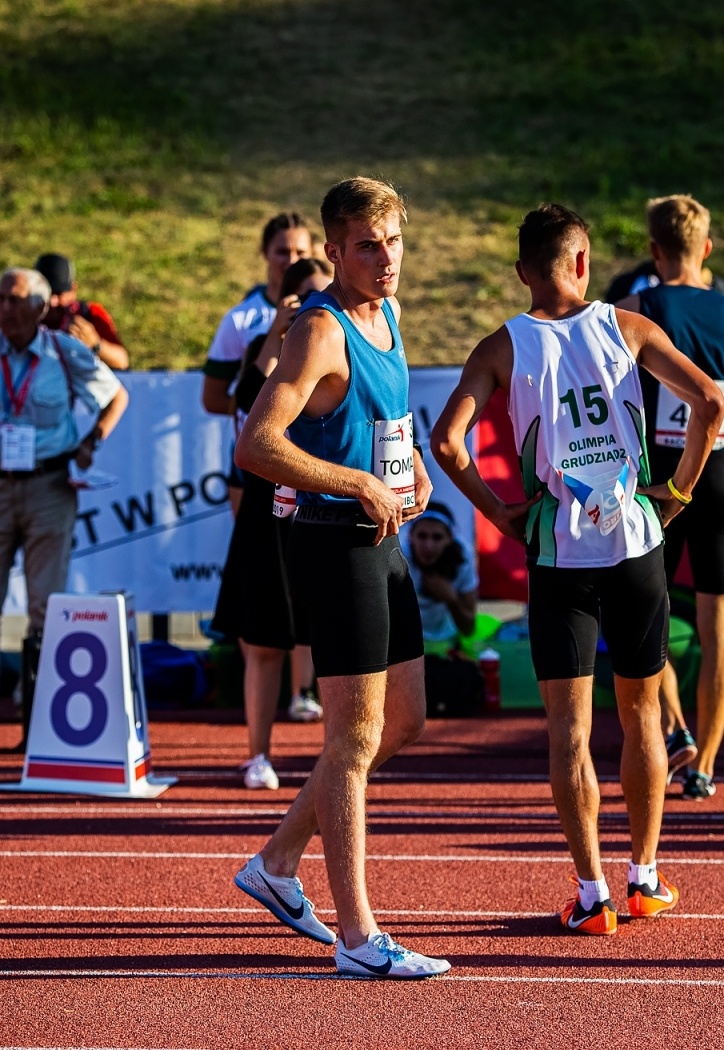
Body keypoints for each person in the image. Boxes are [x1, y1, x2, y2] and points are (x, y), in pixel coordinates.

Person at [434, 203, 723, 935]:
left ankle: (592, 894)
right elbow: (710, 402)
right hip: (635, 543)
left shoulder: (502, 346)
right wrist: (680, 490)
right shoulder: (627, 326)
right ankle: (646, 877)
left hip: (558, 552)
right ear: (584, 262)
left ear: (523, 272)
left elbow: (446, 444)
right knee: (643, 714)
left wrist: (499, 512)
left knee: (569, 729)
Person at [230, 177, 448, 979]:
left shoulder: (386, 310)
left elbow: (387, 416)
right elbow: (258, 445)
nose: (385, 258)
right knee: (352, 740)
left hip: (379, 534)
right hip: (330, 539)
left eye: (393, 241)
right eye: (367, 245)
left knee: (407, 719)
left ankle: (278, 862)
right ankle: (359, 939)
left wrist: (410, 465)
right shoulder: (317, 330)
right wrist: (353, 482)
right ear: (334, 250)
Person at [615, 195, 724, 801]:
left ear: (654, 251)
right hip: (723, 474)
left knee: (643, 612)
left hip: (660, 481)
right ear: (707, 248)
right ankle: (706, 759)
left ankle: (675, 725)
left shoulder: (634, 309)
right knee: (719, 619)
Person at [0, 267, 128, 727]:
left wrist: (91, 440)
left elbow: (115, 396)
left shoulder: (63, 351)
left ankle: (39, 703)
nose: (5, 309)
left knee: (46, 601)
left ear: (41, 308)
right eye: (1, 298)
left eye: (17, 300)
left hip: (50, 486)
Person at [211, 256, 330, 790]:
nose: (314, 304)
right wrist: (274, 336)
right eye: (303, 296)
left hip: (324, 506)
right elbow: (241, 403)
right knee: (261, 642)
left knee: (334, 637)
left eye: (322, 293)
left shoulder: (339, 340)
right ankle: (257, 754)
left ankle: (339, 759)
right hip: (267, 510)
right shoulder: (272, 347)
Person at [203, 213, 314, 514]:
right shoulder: (240, 319)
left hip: (316, 451)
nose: (291, 260)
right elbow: (212, 399)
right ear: (264, 253)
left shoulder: (327, 314)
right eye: (282, 251)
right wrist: (260, 411)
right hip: (254, 461)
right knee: (255, 554)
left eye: (301, 252)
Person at [0, 253, 129, 371]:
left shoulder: (89, 314)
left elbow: (122, 361)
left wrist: (96, 345)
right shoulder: (16, 314)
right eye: (46, 294)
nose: (53, 301)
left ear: (73, 290)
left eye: (58, 293)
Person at [402, 502, 479, 648]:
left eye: (437, 537)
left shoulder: (463, 558)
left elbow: (469, 628)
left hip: (445, 640)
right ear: (410, 536)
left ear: (450, 538)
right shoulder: (398, 556)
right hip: (404, 642)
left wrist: (451, 599)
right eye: (422, 536)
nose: (428, 546)